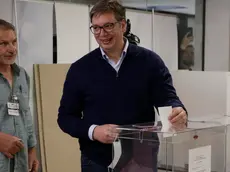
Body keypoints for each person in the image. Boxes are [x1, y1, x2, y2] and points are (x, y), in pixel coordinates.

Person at [57, 0, 187, 172]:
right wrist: (93, 131)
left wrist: (178, 110)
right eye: (96, 28)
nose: (102, 33)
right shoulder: (80, 69)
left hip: (142, 158)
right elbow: (65, 118)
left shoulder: (150, 62)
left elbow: (168, 99)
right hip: (97, 160)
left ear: (123, 25)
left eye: (108, 26)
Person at [0, 19, 39, 172]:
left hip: (20, 162)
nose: (12, 49)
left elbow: (25, 114)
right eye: (3, 44)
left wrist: (32, 149)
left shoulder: (21, 74)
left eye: (14, 42)